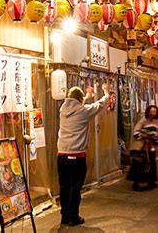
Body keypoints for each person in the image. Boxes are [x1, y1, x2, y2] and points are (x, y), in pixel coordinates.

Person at [57, 83, 110, 226]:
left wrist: (86, 97)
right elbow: (98, 105)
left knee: (64, 187)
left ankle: (64, 216)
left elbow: (78, 107)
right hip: (76, 156)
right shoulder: (83, 111)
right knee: (75, 187)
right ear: (80, 100)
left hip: (61, 155)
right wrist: (106, 93)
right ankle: (73, 217)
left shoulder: (63, 109)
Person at [128, 105, 158, 191]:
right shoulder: (143, 120)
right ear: (148, 112)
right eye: (152, 111)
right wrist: (145, 134)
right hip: (143, 146)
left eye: (155, 111)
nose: (153, 113)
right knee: (140, 164)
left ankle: (151, 182)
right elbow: (136, 130)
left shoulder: (157, 121)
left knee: (152, 164)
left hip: (151, 146)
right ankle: (136, 183)